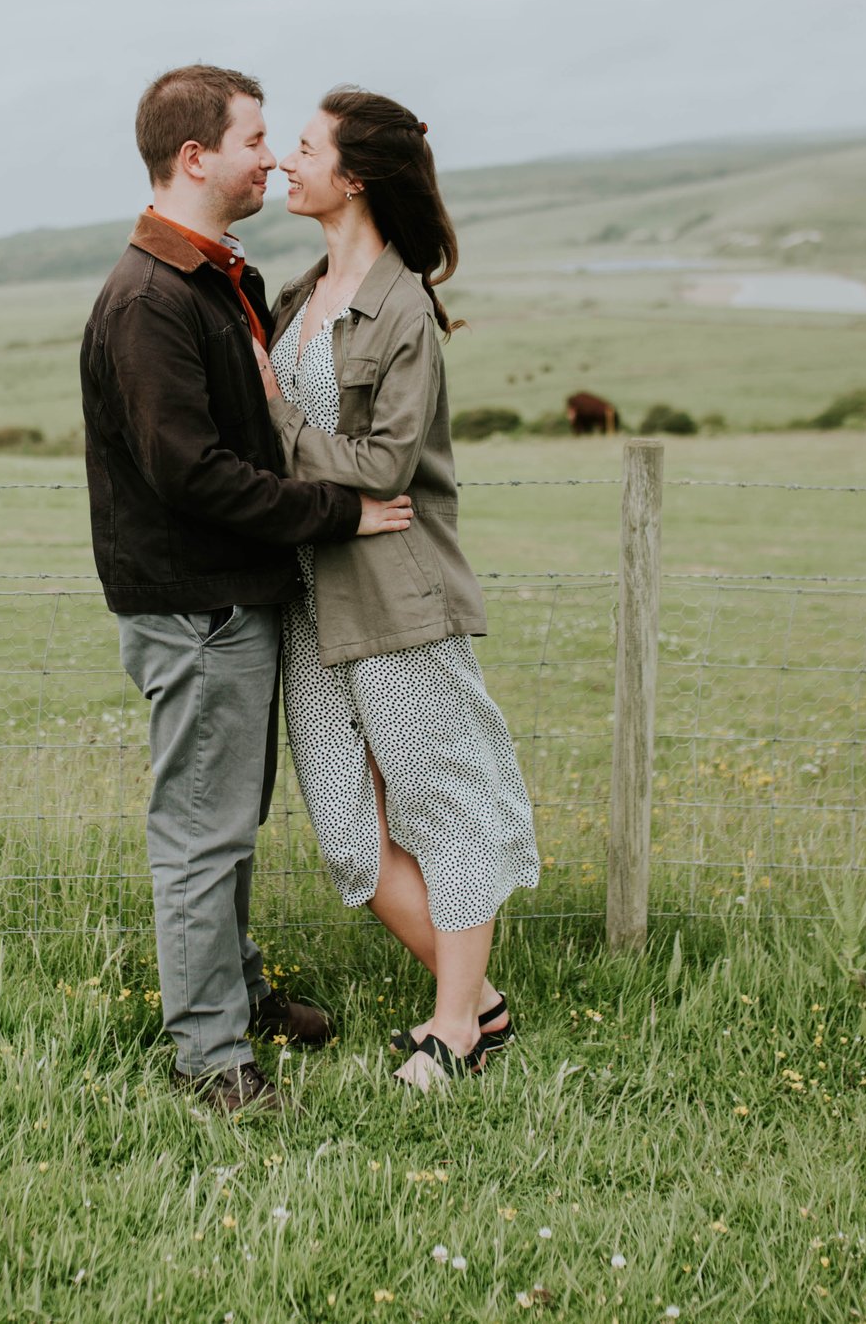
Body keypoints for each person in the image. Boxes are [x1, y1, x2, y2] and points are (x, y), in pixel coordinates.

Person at [80, 64, 416, 1115]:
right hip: (196, 606)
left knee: (225, 818)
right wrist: (336, 512)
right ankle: (212, 1058)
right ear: (195, 158)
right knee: (199, 830)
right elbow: (192, 470)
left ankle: (237, 991)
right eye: (254, 137)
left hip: (224, 598)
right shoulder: (148, 298)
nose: (271, 155)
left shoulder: (205, 276)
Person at [253, 86, 541, 1091]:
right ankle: (487, 1004)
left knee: (440, 801)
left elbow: (383, 466)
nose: (286, 163)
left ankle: (455, 1027)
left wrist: (273, 413)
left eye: (302, 147)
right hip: (306, 597)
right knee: (347, 832)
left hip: (394, 595)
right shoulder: (296, 294)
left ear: (354, 173)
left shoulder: (403, 305)